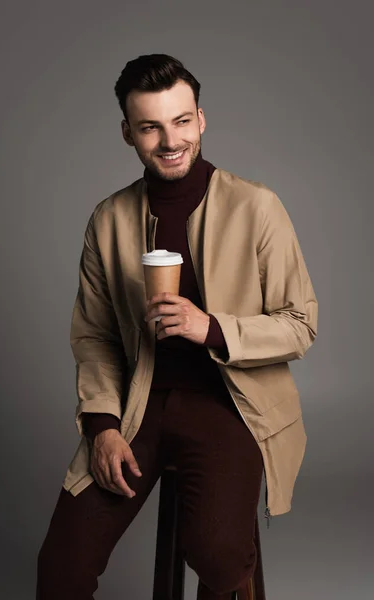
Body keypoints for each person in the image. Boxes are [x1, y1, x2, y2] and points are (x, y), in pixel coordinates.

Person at [36, 54, 318, 600]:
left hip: (232, 403)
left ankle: (236, 563)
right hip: (138, 406)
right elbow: (94, 335)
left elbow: (300, 325)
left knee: (216, 554)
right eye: (151, 127)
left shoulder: (257, 208)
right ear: (128, 133)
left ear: (201, 119)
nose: (170, 140)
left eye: (182, 121)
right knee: (61, 567)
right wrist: (102, 427)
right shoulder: (109, 219)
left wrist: (210, 327)